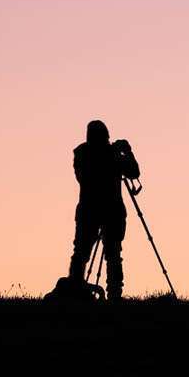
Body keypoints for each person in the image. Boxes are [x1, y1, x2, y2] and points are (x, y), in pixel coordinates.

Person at [67, 120, 140, 301]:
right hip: (110, 211)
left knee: (82, 253)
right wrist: (126, 152)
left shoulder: (82, 154)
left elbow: (133, 173)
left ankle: (75, 290)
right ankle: (114, 295)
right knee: (112, 254)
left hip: (89, 211)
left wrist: (123, 154)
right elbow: (134, 172)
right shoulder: (108, 154)